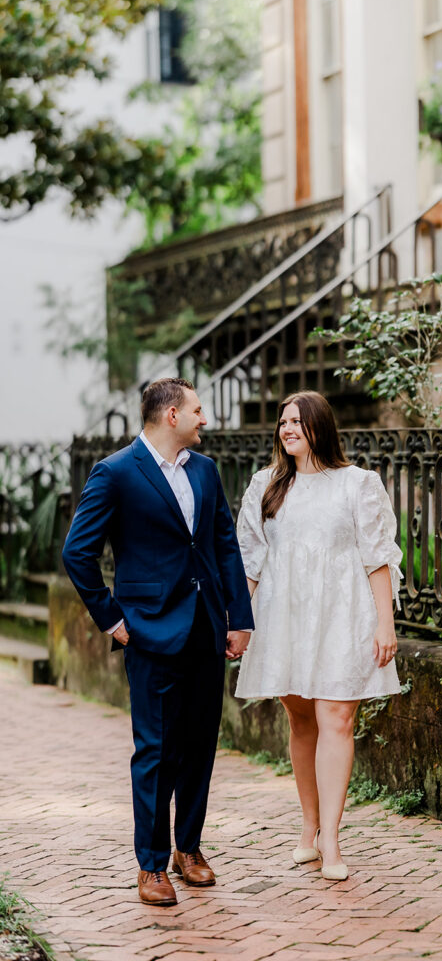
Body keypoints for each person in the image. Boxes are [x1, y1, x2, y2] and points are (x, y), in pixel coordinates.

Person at [62, 377, 254, 907]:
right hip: (148, 631)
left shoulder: (206, 470)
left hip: (206, 629)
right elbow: (78, 553)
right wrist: (112, 619)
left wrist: (239, 618)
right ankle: (150, 864)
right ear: (172, 415)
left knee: (200, 745)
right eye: (197, 410)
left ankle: (187, 849)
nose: (204, 419)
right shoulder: (116, 472)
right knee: (156, 750)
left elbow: (224, 545)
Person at [235, 390, 402, 881]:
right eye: (283, 422)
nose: (287, 429)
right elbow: (251, 561)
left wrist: (385, 622)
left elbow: (377, 557)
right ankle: (308, 825)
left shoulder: (357, 484)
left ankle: (331, 836)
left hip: (342, 615)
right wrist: (239, 622)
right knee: (301, 719)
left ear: (319, 427)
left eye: (297, 421)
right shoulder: (265, 485)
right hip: (284, 617)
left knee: (337, 717)